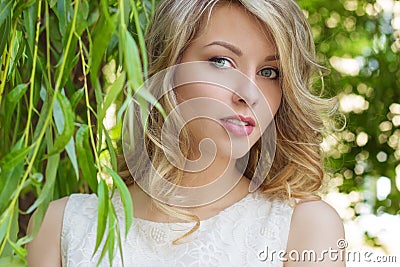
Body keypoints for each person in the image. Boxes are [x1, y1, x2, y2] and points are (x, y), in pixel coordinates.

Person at [26, 0, 345, 266]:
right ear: (164, 67)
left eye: (269, 72)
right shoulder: (61, 225)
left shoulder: (303, 228)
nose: (250, 93)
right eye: (221, 61)